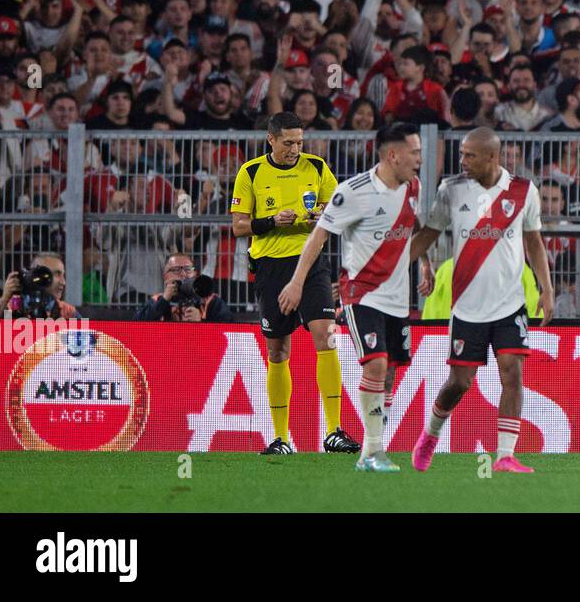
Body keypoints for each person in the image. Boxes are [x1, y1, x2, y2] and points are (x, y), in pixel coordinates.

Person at [281, 122, 427, 472]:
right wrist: (297, 282)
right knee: (376, 363)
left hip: (397, 296)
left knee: (390, 370)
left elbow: (414, 225)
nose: (420, 159)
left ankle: (376, 447)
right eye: (415, 152)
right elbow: (318, 237)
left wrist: (426, 265)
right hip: (361, 294)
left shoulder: (414, 187)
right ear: (393, 155)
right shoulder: (353, 191)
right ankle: (370, 453)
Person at [408, 127, 554, 474]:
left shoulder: (523, 191)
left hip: (509, 304)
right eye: (461, 154)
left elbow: (534, 241)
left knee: (512, 375)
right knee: (459, 383)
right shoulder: (451, 189)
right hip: (467, 306)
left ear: (492, 157)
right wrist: (396, 266)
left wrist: (546, 289)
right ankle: (429, 435)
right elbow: (428, 233)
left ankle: (505, 455)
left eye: (470, 155)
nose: (463, 161)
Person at [230, 111, 360, 456]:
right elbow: (239, 227)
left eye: (299, 142)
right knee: (278, 350)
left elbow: (341, 209)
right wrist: (271, 221)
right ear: (270, 140)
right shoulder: (251, 172)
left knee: (327, 337)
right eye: (288, 142)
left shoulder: (316, 167)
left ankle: (333, 431)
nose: (294, 148)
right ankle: (281, 437)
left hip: (312, 262)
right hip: (272, 267)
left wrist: (324, 214)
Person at [133, 254, 236, 322]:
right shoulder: (156, 300)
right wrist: (163, 301)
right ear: (165, 277)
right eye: (176, 270)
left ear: (195, 274)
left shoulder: (211, 301)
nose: (183, 274)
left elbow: (229, 333)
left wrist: (201, 323)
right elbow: (135, 329)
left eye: (188, 269)